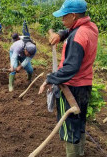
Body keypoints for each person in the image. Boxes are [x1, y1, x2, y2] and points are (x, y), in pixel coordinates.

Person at [38, 0, 98, 156]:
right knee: (80, 123)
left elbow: (71, 67)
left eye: (64, 17)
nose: (62, 20)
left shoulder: (77, 36)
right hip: (85, 86)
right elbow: (72, 30)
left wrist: (50, 78)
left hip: (71, 89)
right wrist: (60, 34)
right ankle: (81, 152)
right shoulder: (91, 28)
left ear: (73, 15)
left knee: (70, 128)